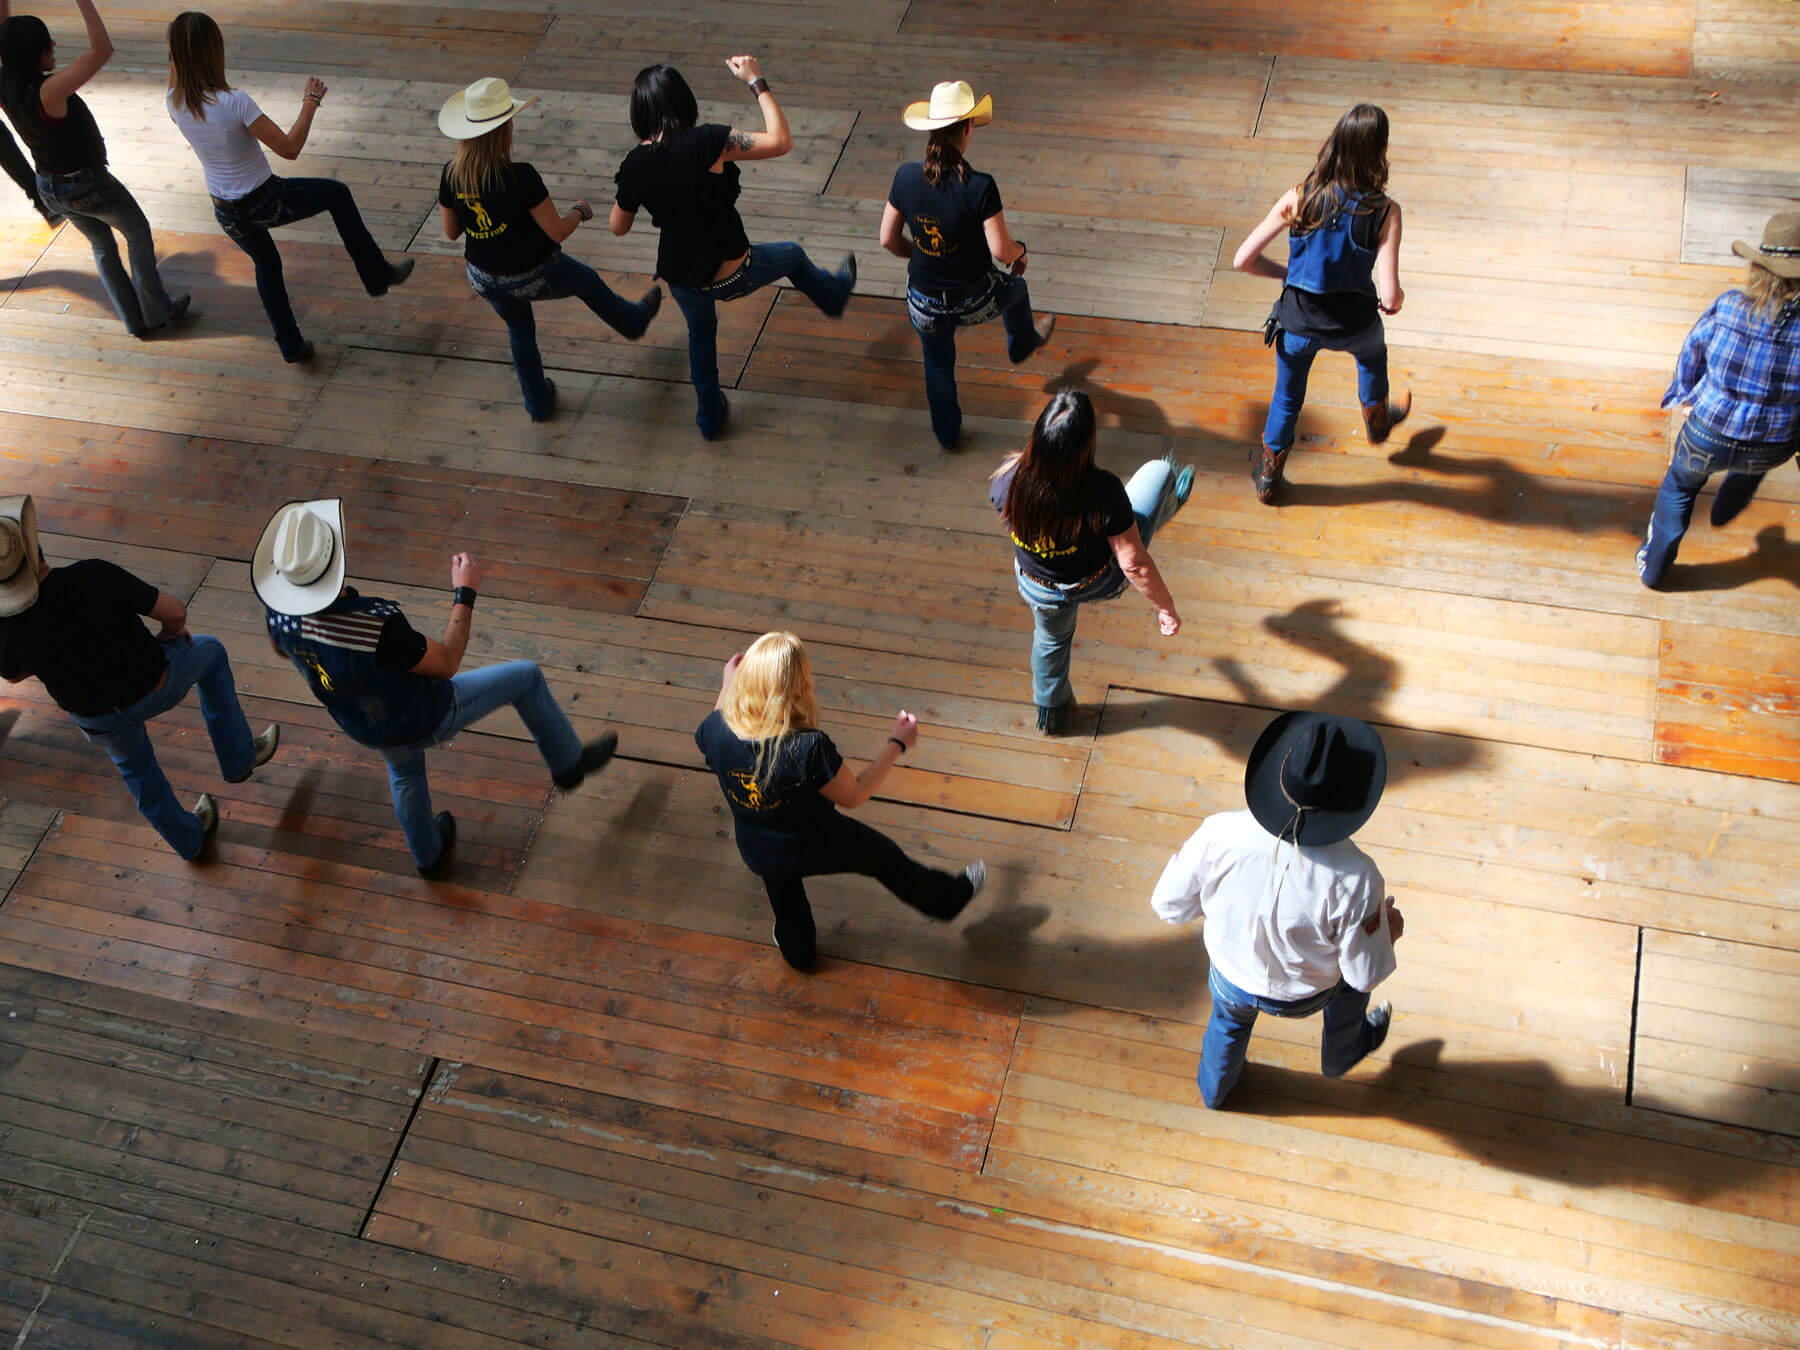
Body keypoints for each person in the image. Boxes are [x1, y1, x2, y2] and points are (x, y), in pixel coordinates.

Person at [255, 500, 620, 877]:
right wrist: (465, 593)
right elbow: (446, 664)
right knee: (526, 677)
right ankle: (568, 765)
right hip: (425, 713)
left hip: (361, 721)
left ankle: (428, 857)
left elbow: (281, 650)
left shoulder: (279, 613)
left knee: (405, 773)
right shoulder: (376, 627)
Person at [0, 495, 279, 860]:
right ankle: (239, 759)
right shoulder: (92, 574)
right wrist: (167, 634)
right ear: (35, 544)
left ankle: (189, 841)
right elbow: (175, 612)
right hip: (156, 683)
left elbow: (15, 675)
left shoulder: (8, 625)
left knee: (137, 770)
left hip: (97, 717)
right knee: (210, 652)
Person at [1152, 710, 1401, 1110]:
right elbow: (1365, 974)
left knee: (1227, 1027)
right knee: (1351, 992)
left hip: (1231, 976)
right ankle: (1341, 1052)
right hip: (1307, 994)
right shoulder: (1358, 878)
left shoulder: (1218, 834)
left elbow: (1169, 906)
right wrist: (1386, 932)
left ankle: (1215, 1092)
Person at [695, 631, 987, 972]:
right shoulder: (806, 748)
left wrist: (727, 684)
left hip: (759, 848)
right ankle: (947, 900)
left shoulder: (715, 730)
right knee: (885, 858)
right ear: (800, 690)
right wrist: (898, 743)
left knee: (784, 896)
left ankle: (799, 953)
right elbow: (856, 794)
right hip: (816, 841)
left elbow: (721, 713)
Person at [612, 57, 855, 439]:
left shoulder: (634, 165)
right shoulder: (708, 141)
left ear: (639, 113)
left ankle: (709, 419)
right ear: (683, 101)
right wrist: (756, 80)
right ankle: (833, 296)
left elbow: (618, 226)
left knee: (701, 336)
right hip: (732, 272)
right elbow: (781, 141)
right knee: (791, 254)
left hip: (682, 279)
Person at [166, 11, 413, 365]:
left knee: (266, 264)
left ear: (175, 55)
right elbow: (290, 148)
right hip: (264, 200)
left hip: (225, 211)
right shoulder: (234, 101)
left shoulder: (174, 101)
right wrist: (310, 103)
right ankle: (376, 276)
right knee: (337, 194)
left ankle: (291, 346)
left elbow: (178, 70)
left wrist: (175, 47)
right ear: (214, 51)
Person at [438, 77, 661, 422]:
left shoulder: (451, 175)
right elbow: (556, 232)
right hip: (531, 273)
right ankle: (633, 322)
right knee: (587, 282)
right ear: (505, 129)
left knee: (519, 329)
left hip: (482, 276)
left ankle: (538, 403)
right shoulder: (521, 177)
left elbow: (452, 232)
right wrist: (580, 212)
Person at [1232, 103, 1409, 503]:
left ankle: (1269, 477)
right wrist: (1395, 302)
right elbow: (1389, 295)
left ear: (1335, 143)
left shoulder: (1298, 197)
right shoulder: (1385, 211)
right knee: (1372, 355)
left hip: (1297, 324)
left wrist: (1287, 276)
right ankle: (1378, 422)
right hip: (1355, 326)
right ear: (1378, 151)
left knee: (1287, 396)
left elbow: (1242, 259)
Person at [990, 389, 1191, 735]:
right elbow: (1134, 565)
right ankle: (1162, 510)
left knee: (1050, 640)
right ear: (1085, 445)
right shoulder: (1104, 492)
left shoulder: (1006, 479)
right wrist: (1165, 608)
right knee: (1159, 474)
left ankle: (1051, 711)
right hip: (1098, 577)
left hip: (1037, 584)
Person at [881, 80, 1056, 451]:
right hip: (973, 300)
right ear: (968, 129)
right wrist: (1021, 250)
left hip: (923, 302)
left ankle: (947, 435)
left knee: (938, 361)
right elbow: (1001, 252)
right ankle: (1021, 343)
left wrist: (920, 253)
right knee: (1016, 290)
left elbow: (887, 239)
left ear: (930, 129)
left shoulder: (906, 177)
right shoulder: (980, 186)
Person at [0, 0, 190, 336]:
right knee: (137, 234)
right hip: (87, 186)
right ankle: (159, 312)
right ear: (34, 53)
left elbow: (5, 37)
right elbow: (102, 51)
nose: (54, 47)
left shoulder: (5, 84)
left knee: (102, 245)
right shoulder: (49, 91)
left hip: (49, 187)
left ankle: (135, 322)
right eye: (48, 44)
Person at [1637, 210, 1800, 588]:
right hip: (1773, 443)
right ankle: (1730, 502)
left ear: (1761, 267)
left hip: (1708, 431)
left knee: (1680, 487)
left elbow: (1692, 351)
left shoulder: (1729, 306)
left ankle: (1655, 568)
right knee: (1749, 465)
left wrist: (1686, 395)